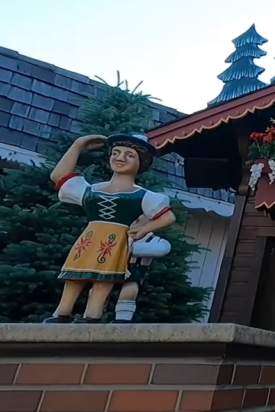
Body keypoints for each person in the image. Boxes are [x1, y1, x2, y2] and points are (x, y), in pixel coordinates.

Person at [43, 133, 176, 324]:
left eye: (129, 155)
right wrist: (77, 145)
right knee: (73, 274)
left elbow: (167, 217)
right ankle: (62, 312)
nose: (120, 158)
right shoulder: (91, 189)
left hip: (115, 238)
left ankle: (92, 315)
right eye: (115, 152)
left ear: (141, 162)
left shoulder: (143, 195)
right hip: (90, 237)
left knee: (103, 279)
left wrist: (145, 229)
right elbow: (59, 176)